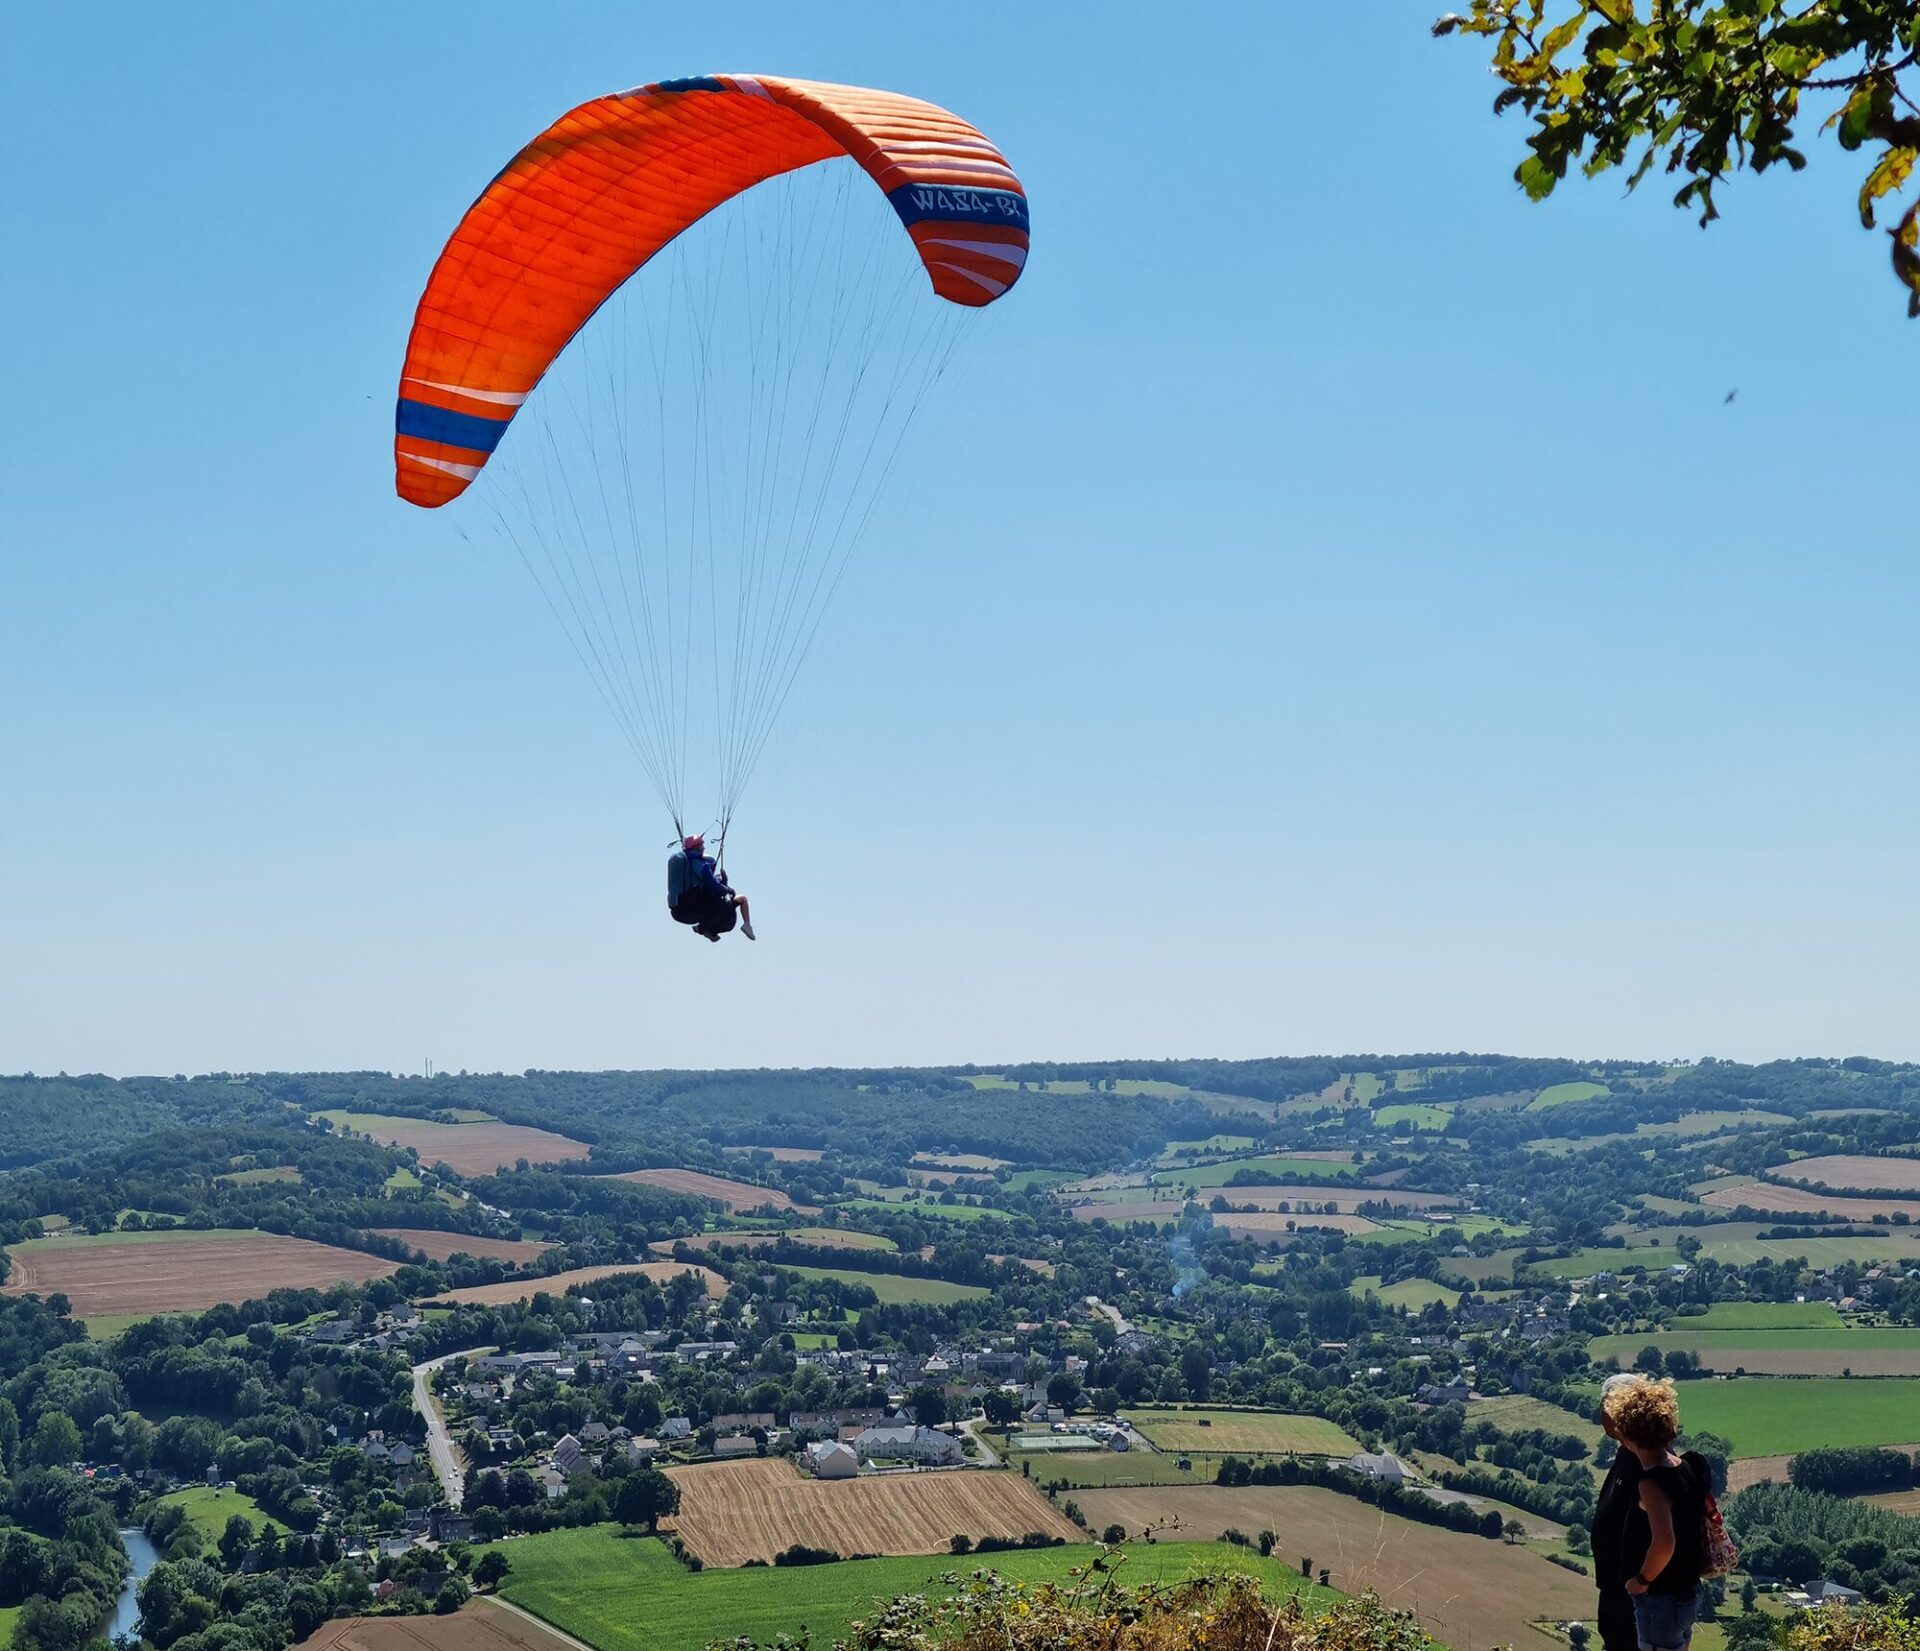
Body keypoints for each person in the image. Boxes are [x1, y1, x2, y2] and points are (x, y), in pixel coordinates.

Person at [1603, 1375, 1710, 1651]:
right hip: (1687, 1592)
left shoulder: (1650, 1484)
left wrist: (1641, 1581)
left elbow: (1664, 1542)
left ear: (1627, 1436)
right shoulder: (1683, 1467)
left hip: (1661, 1598)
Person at [1591, 1372, 1647, 1651]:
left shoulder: (1645, 1459)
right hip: (1617, 1588)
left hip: (1633, 1594)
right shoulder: (1630, 1453)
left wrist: (1642, 1580)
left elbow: (1663, 1534)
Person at [666, 834, 755, 943]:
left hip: (679, 910)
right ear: (696, 847)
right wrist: (728, 889)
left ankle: (707, 930)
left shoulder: (690, 863)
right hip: (689, 907)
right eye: (702, 845)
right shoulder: (702, 865)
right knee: (725, 905)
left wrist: (723, 882)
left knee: (726, 908)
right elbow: (713, 886)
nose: (704, 848)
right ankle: (703, 928)